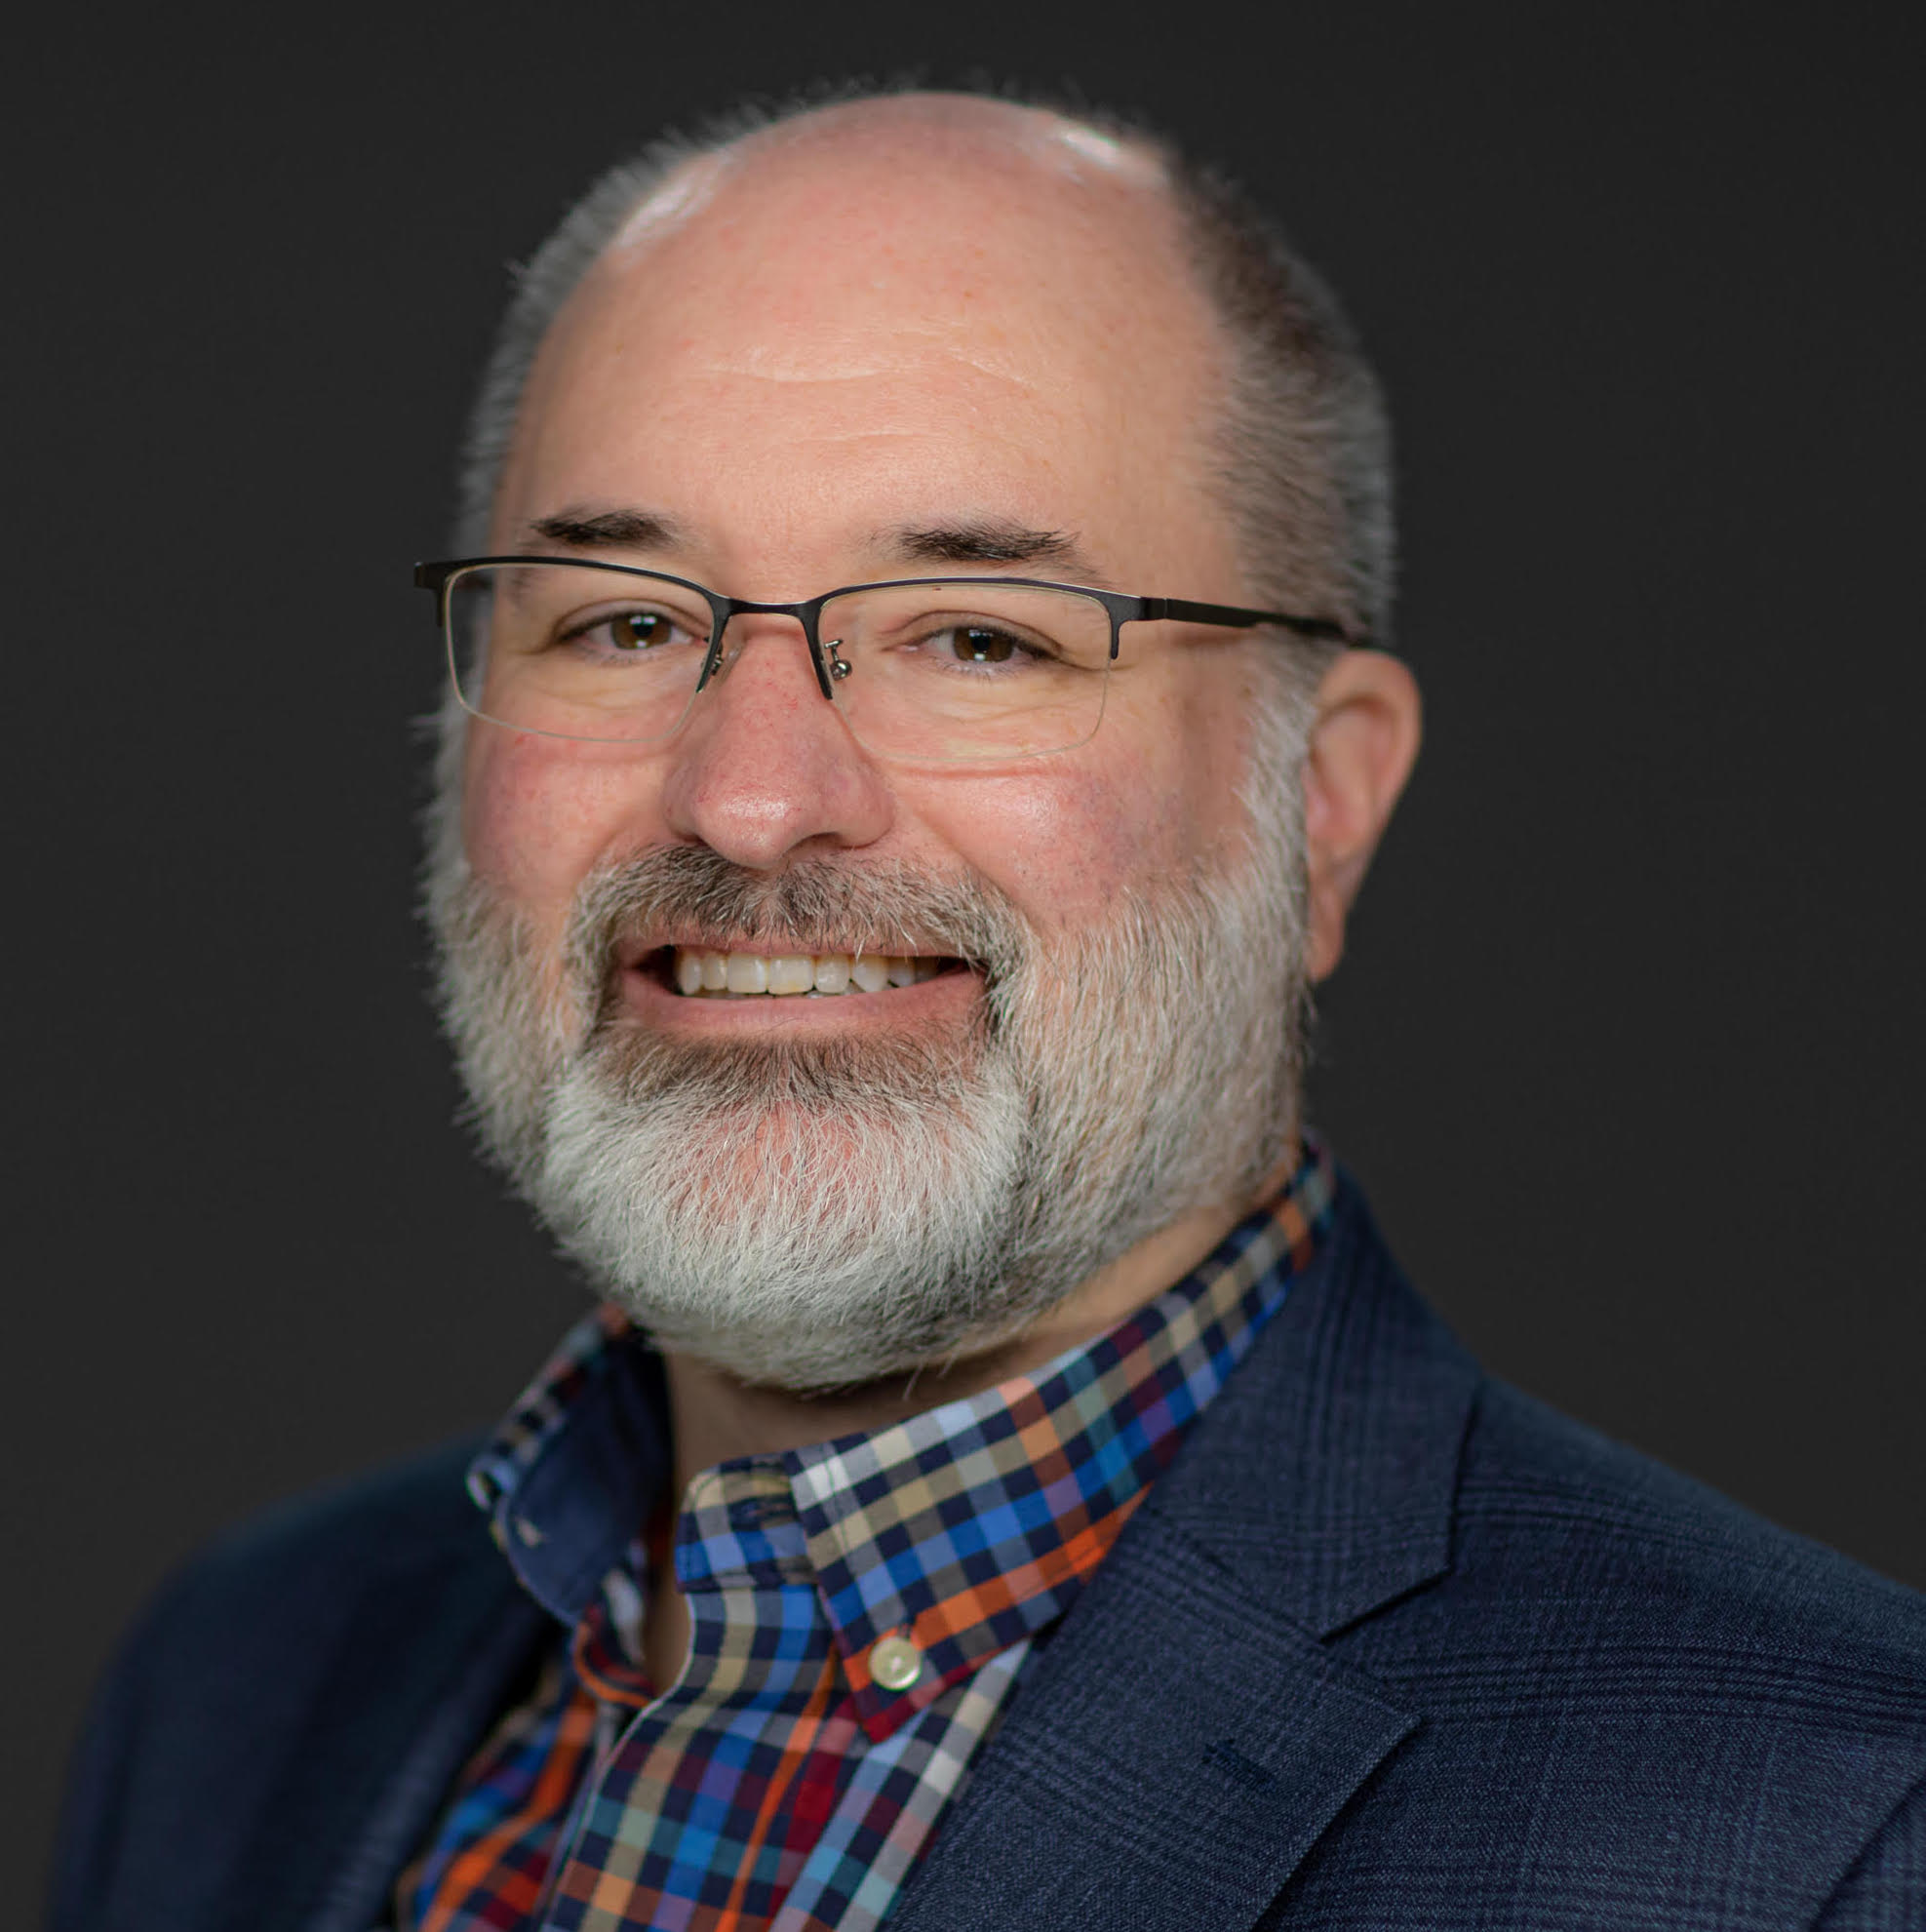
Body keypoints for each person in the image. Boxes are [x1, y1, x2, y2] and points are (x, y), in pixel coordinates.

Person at [52, 87, 1926, 1932]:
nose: (752, 797)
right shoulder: (243, 1683)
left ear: (1325, 803)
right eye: (623, 621)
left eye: (979, 638)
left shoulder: (1830, 1834)